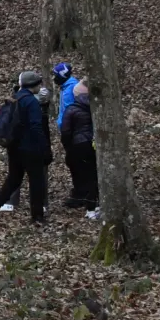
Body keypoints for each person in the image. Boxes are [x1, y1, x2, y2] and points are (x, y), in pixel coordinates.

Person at [0, 70, 51, 223]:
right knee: (36, 181)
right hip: (30, 148)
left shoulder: (15, 98)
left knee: (14, 179)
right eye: (38, 84)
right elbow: (36, 127)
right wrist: (44, 148)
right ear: (34, 86)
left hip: (13, 147)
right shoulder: (32, 102)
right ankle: (37, 217)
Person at [61, 81, 98, 214]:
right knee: (92, 173)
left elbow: (65, 131)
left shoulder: (71, 110)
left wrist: (67, 145)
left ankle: (82, 199)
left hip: (76, 145)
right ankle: (93, 200)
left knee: (78, 171)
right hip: (92, 144)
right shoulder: (95, 107)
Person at [52, 63, 78, 134]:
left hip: (71, 129)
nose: (53, 78)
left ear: (62, 75)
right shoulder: (65, 87)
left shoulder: (71, 88)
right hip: (66, 127)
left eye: (55, 75)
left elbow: (70, 112)